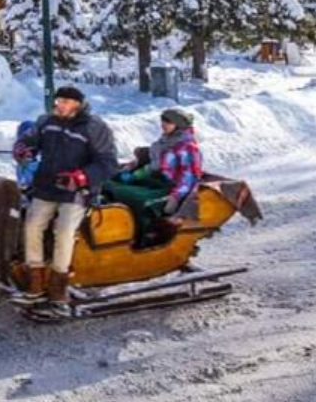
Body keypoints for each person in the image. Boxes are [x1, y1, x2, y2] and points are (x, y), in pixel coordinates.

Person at [13, 86, 118, 310]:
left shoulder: (94, 127)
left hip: (77, 192)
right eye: (57, 101)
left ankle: (58, 285)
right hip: (46, 187)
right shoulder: (46, 122)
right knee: (32, 225)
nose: (58, 105)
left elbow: (108, 164)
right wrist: (22, 149)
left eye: (63, 102)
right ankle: (35, 282)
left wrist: (81, 177)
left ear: (76, 105)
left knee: (64, 230)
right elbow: (27, 141)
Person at [114, 108, 204, 221]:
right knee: (112, 185)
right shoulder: (166, 140)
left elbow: (189, 178)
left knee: (139, 200)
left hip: (170, 186)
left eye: (168, 122)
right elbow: (154, 161)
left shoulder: (188, 148)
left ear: (179, 125)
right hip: (155, 179)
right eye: (163, 120)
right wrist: (133, 167)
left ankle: (143, 233)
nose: (163, 124)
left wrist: (175, 197)